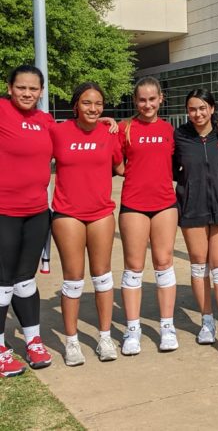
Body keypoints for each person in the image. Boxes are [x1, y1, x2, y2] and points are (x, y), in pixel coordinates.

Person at [50, 82, 122, 366]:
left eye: (98, 104)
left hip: (101, 213)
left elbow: (121, 167)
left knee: (102, 276)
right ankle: (71, 342)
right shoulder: (58, 132)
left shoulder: (110, 133)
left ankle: (105, 337)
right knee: (73, 279)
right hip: (67, 214)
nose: (93, 108)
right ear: (75, 105)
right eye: (86, 103)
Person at [174, 89, 218, 353]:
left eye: (202, 108)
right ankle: (206, 322)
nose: (197, 113)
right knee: (199, 266)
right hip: (192, 208)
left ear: (212, 109)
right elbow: (170, 168)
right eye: (192, 109)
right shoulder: (180, 136)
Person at [116, 77, 178, 355]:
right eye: (142, 99)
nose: (147, 104)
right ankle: (133, 330)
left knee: (164, 263)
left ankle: (167, 326)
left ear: (161, 99)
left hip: (165, 204)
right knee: (134, 266)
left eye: (152, 99)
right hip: (134, 204)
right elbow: (117, 165)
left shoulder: (169, 130)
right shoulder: (124, 128)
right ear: (135, 100)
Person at [0, 65, 53, 377]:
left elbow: (74, 132)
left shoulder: (44, 120)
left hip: (36, 212)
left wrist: (106, 122)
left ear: (41, 91)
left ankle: (33, 340)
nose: (27, 93)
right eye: (21, 87)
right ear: (10, 88)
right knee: (2, 282)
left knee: (25, 279)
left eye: (33, 89)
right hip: (3, 211)